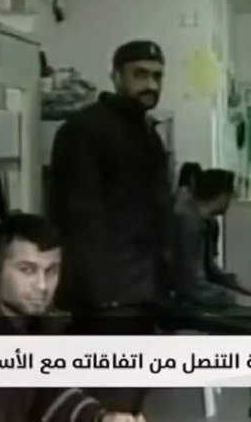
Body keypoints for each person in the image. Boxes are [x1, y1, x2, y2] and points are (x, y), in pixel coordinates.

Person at [49, 40, 172, 413]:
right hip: (107, 296)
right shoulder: (83, 130)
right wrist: (101, 295)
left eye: (157, 76)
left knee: (132, 395)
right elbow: (78, 218)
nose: (150, 84)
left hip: (144, 290)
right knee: (106, 398)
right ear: (116, 77)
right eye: (140, 75)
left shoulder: (147, 133)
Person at [0, 213, 144, 422]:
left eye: (51, 271)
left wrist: (101, 418)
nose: (42, 285)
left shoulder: (42, 323)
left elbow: (48, 392)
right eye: (27, 270)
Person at [172, 168, 251, 422]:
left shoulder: (206, 222)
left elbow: (211, 270)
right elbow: (191, 286)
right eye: (230, 195)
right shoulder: (186, 223)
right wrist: (235, 299)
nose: (231, 201)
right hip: (186, 305)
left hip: (202, 296)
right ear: (221, 196)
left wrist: (244, 288)